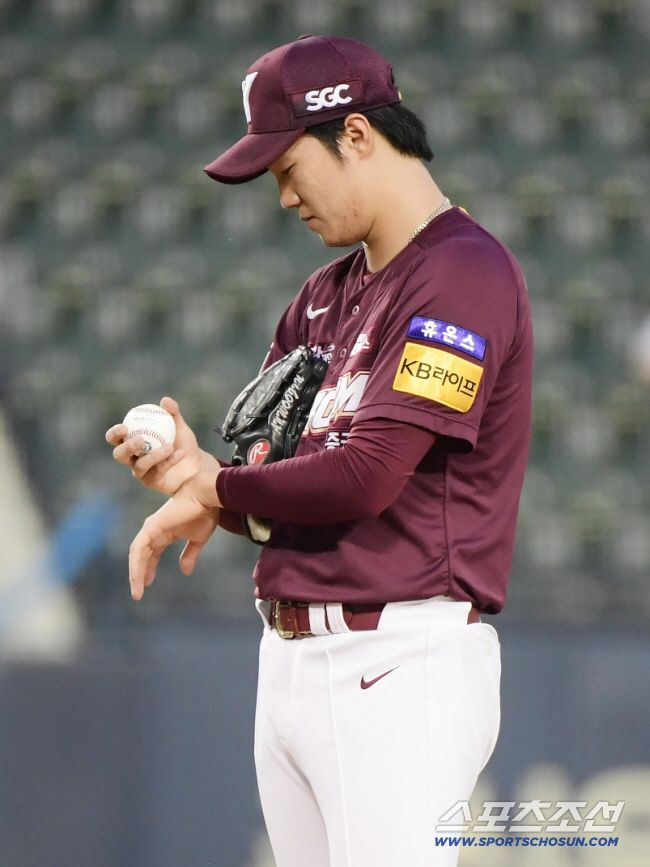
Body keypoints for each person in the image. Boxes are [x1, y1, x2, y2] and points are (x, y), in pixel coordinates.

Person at [106, 35, 533, 867]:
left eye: (288, 167)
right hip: (292, 657)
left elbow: (365, 477)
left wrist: (218, 487)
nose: (284, 196)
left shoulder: (462, 273)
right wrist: (207, 488)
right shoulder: (320, 298)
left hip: (397, 662)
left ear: (358, 134)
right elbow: (280, 493)